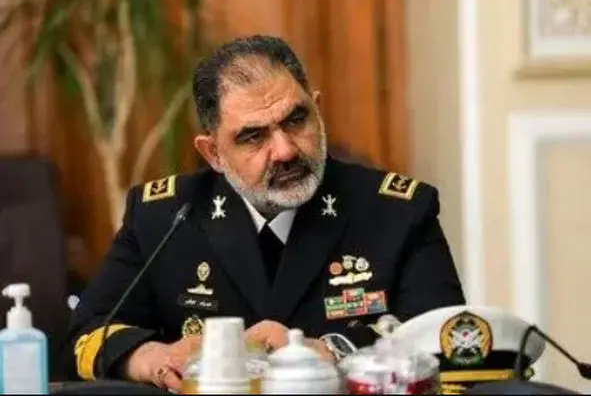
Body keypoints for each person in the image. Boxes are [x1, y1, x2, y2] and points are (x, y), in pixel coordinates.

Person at [64, 34, 465, 391]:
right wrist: (151, 357)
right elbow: (85, 333)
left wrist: (334, 353)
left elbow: (451, 347)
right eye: (253, 136)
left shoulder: (396, 212)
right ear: (213, 153)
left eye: (296, 120)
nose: (285, 150)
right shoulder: (164, 217)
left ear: (317, 110)